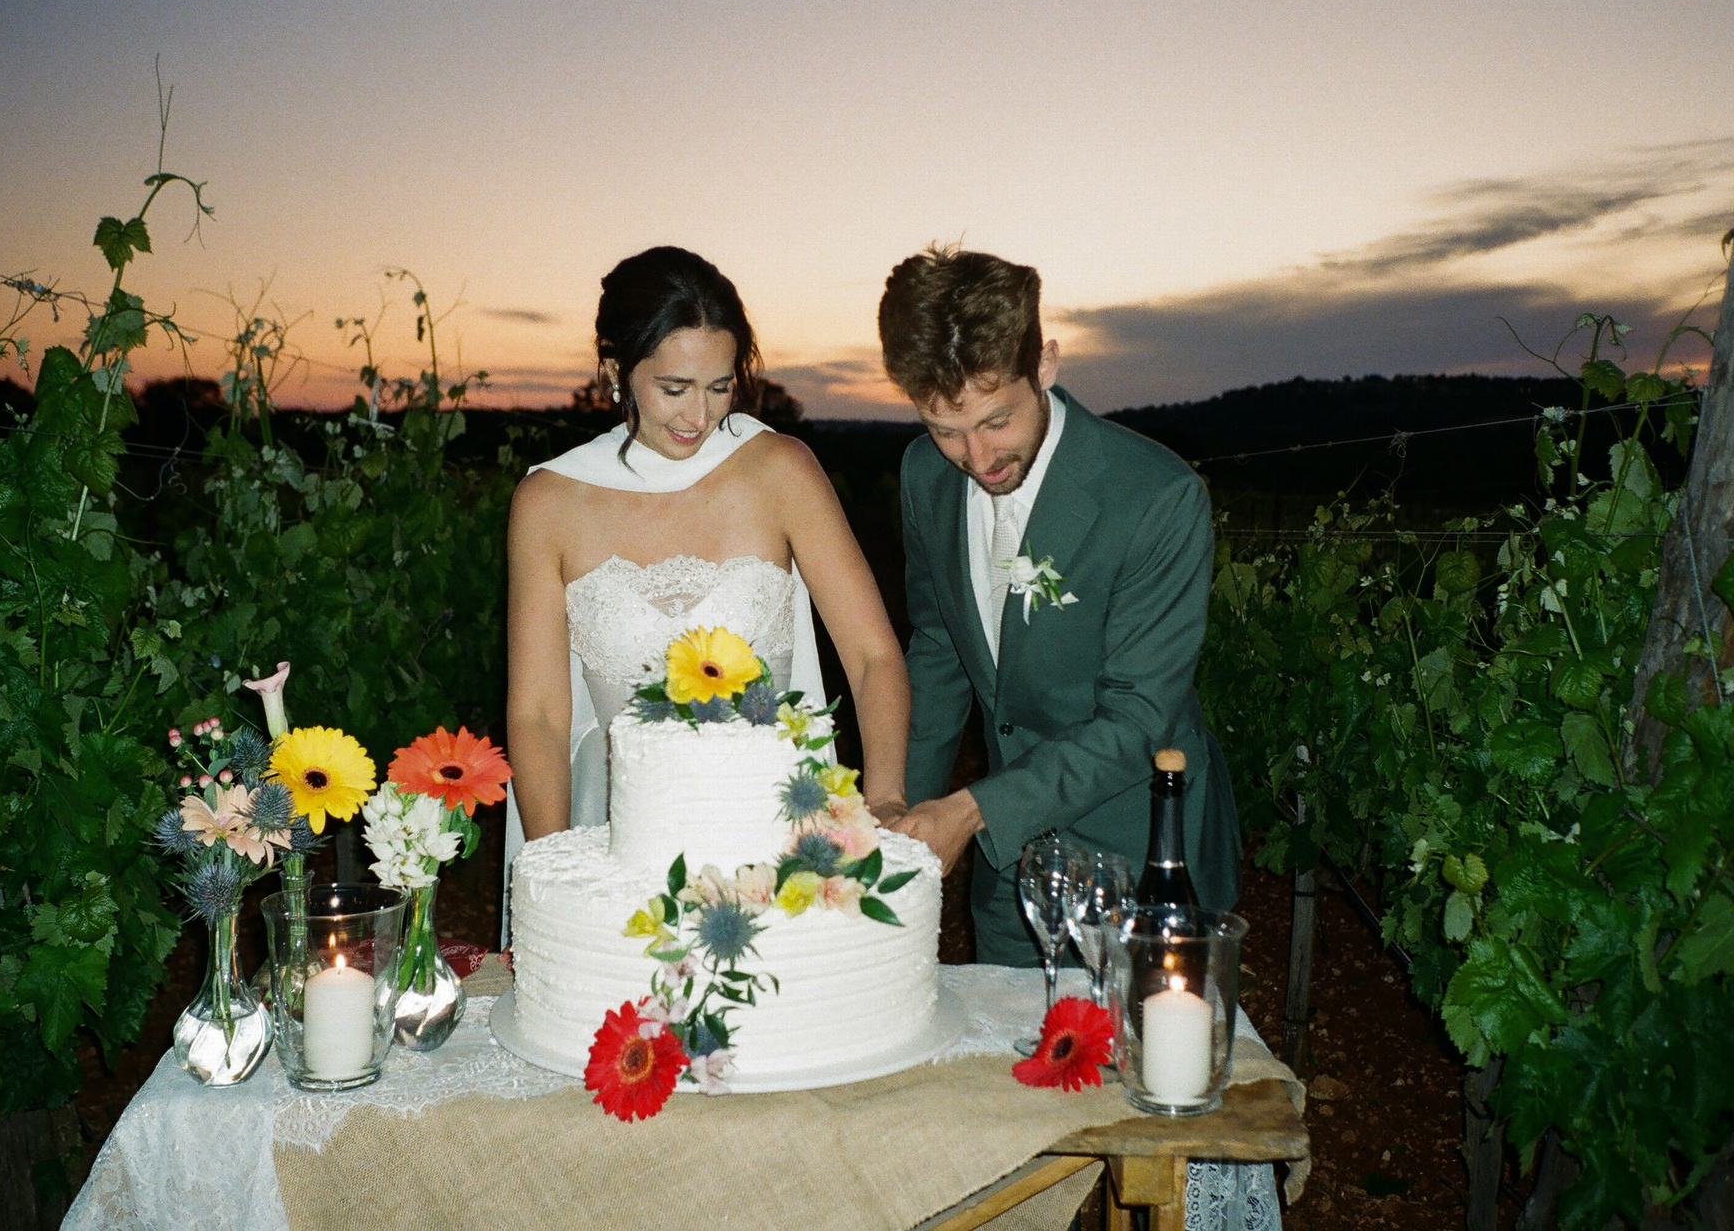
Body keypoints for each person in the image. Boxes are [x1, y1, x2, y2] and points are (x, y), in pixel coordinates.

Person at [501, 247, 909, 940]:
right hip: (616, 842)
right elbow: (539, 715)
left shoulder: (781, 470)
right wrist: (558, 874)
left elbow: (873, 657)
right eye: (674, 388)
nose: (700, 415)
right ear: (615, 371)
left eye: (720, 387)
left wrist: (885, 801)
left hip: (775, 832)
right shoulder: (549, 501)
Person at [878, 244, 1241, 967]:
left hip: (1146, 859)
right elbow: (939, 650)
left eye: (996, 421)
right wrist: (897, 820)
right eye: (944, 429)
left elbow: (1138, 719)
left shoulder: (1156, 497)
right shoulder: (924, 475)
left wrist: (970, 811)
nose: (976, 458)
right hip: (1011, 871)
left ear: (1044, 363)